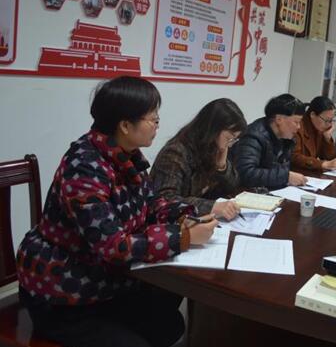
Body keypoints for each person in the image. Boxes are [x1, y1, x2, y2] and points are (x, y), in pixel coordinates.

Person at [16, 77, 217, 347]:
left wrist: (184, 217)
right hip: (63, 291)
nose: (158, 125)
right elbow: (113, 246)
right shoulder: (84, 167)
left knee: (169, 324)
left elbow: (151, 203)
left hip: (102, 281)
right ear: (125, 125)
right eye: (153, 119)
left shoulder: (126, 156)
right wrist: (182, 237)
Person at [151, 98, 247, 221]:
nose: (230, 144)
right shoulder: (175, 152)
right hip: (171, 223)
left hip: (196, 220)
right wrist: (211, 207)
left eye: (234, 140)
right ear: (213, 129)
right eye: (230, 138)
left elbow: (232, 187)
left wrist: (222, 166)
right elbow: (166, 199)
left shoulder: (213, 147)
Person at [233, 93, 307, 189]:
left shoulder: (287, 138)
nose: (299, 127)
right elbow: (246, 173)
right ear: (279, 119)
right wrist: (285, 177)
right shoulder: (254, 136)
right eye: (296, 122)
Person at [291, 96, 336, 171]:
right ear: (313, 114)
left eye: (331, 120)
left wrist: (327, 138)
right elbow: (294, 157)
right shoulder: (298, 126)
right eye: (327, 120)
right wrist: (322, 164)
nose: (330, 125)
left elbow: (329, 158)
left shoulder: (319, 128)